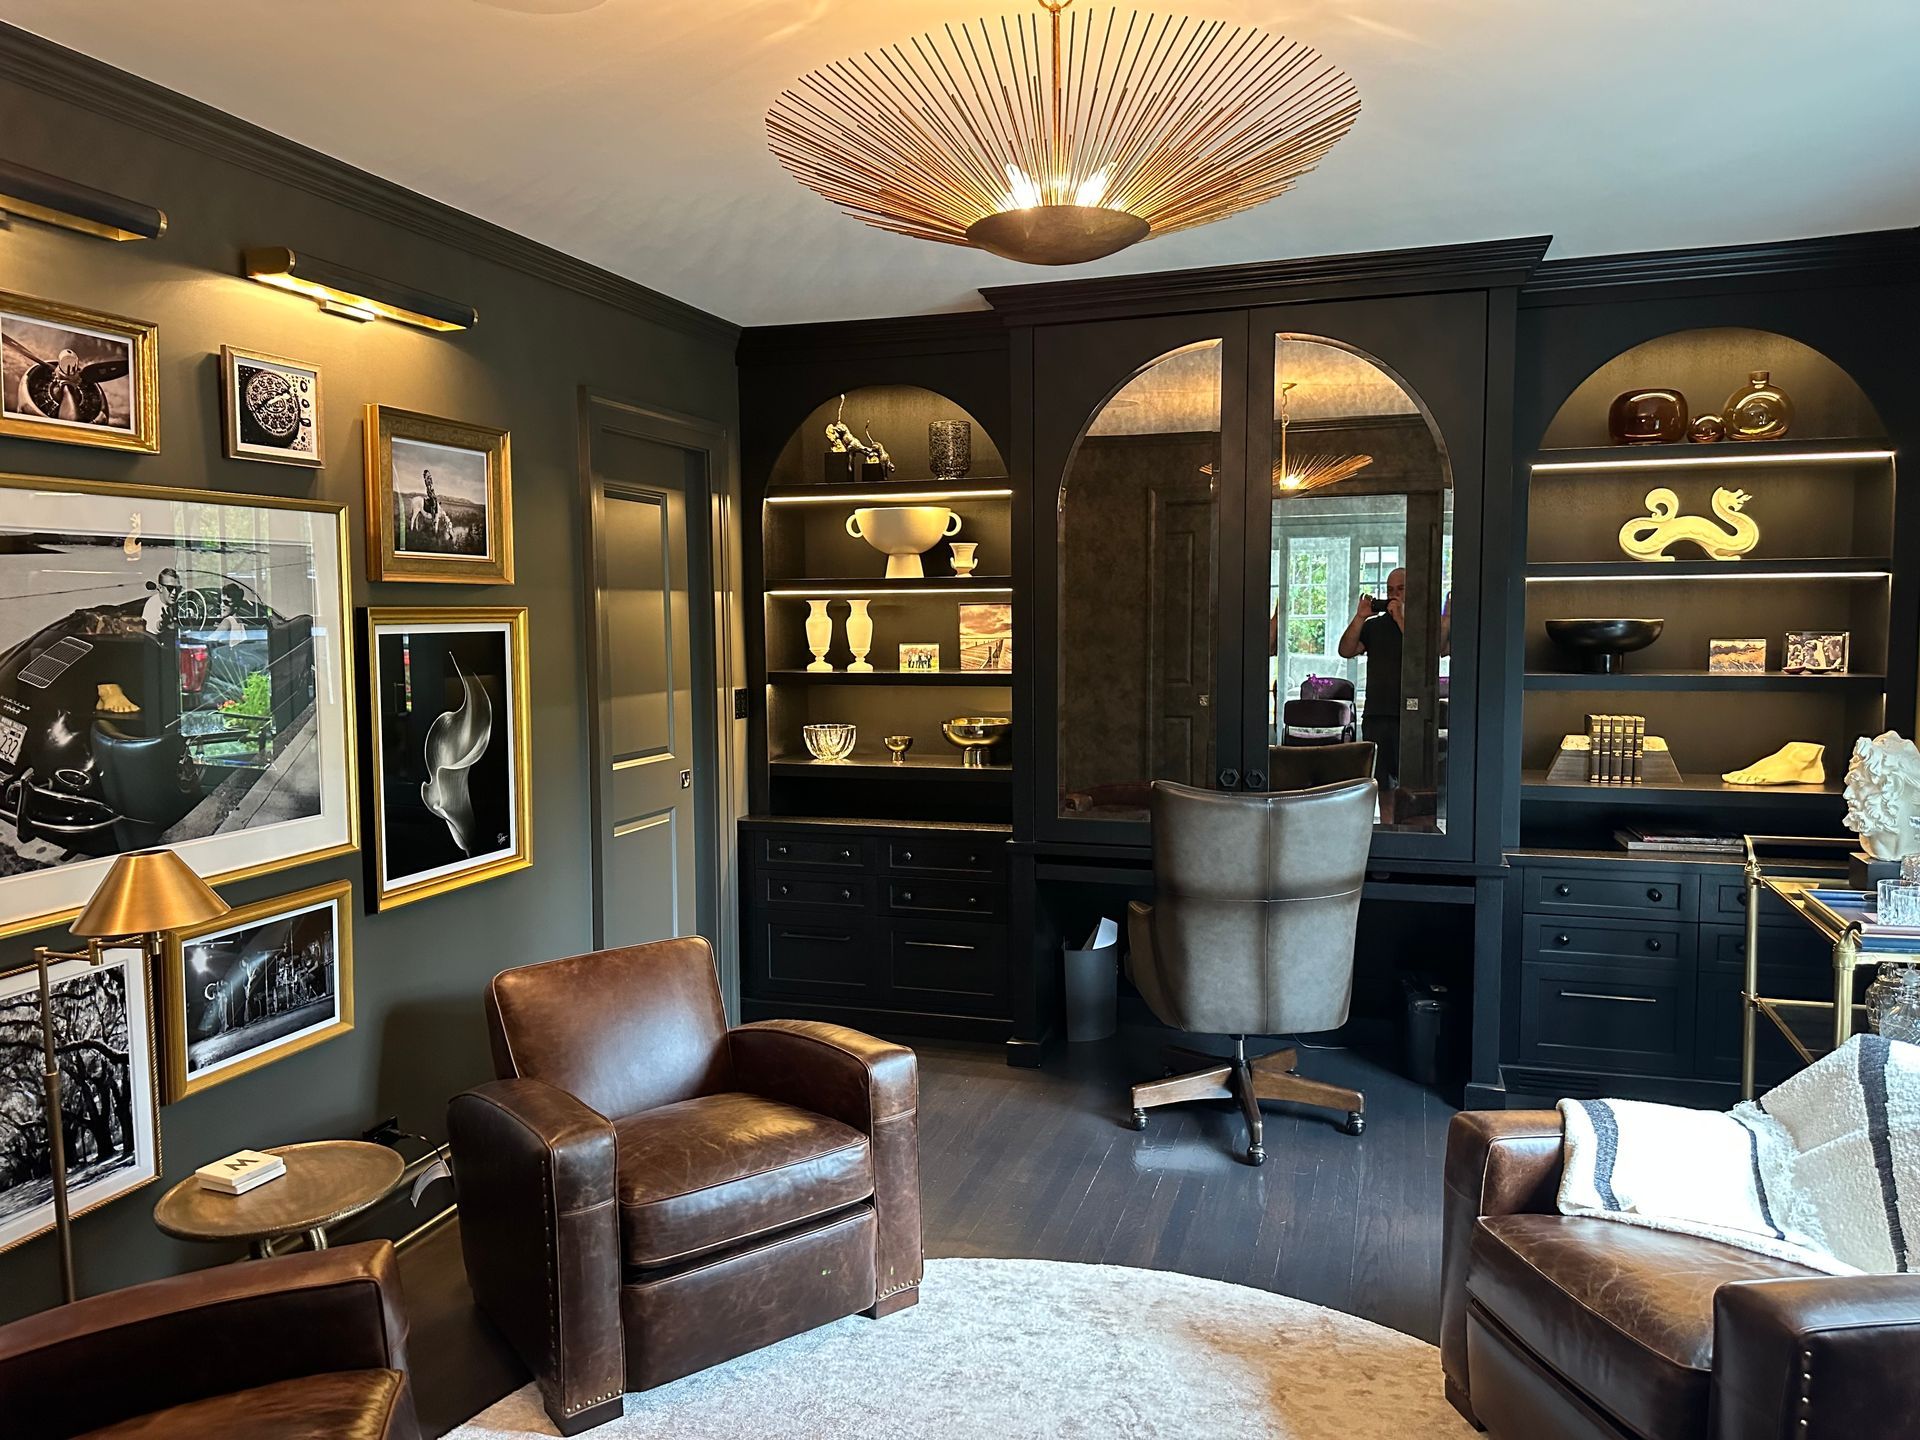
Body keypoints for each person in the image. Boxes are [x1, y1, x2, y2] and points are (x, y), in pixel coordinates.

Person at [1336, 567, 1449, 823]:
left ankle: (1410, 833)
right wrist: (1360, 617)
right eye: (1389, 590)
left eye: (1401, 589)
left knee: (1412, 782)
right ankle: (1388, 827)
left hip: (1414, 715)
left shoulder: (1423, 624)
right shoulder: (1375, 627)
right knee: (1382, 781)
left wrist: (1400, 618)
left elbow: (1425, 654)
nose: (1394, 595)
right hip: (1378, 712)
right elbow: (1346, 650)